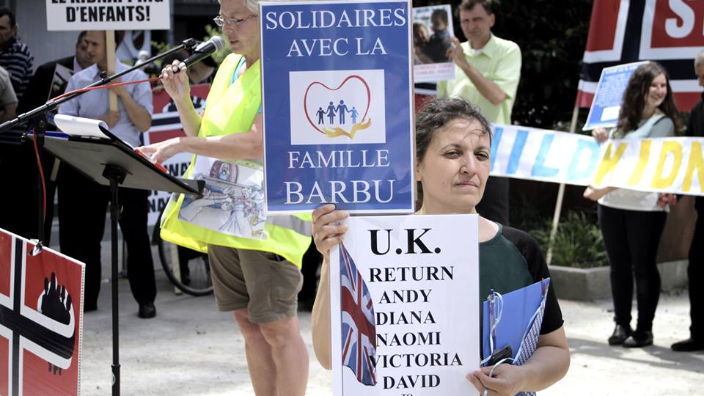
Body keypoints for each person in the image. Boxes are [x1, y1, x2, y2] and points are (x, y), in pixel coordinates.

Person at [311, 98, 569, 395]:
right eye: (453, 153)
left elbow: (555, 350)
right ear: (416, 166)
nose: (470, 167)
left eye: (481, 155)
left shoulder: (518, 248)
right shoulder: (375, 247)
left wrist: (523, 378)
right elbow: (331, 357)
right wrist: (333, 259)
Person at [138, 0, 311, 394]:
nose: (227, 28)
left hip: (269, 223)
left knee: (278, 328)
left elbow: (256, 143)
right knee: (249, 326)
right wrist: (182, 97)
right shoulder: (230, 65)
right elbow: (208, 136)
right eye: (223, 19)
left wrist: (181, 142)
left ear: (266, 19)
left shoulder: (284, 65)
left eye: (237, 18)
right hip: (224, 215)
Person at [57, 30, 157, 319]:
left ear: (111, 46)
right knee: (87, 235)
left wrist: (122, 91)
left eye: (95, 44)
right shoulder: (79, 81)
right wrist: (100, 121)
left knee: (135, 233)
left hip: (128, 163)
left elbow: (144, 121)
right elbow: (65, 122)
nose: (88, 49)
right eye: (85, 44)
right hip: (91, 162)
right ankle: (86, 299)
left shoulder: (135, 76)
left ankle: (145, 299)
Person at [584, 62, 680, 348]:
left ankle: (644, 330)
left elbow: (642, 167)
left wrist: (599, 189)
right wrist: (600, 136)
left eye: (664, 86)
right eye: (654, 85)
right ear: (640, 87)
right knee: (619, 266)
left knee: (643, 266)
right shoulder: (619, 119)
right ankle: (621, 324)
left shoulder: (664, 124)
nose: (660, 91)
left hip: (646, 206)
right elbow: (609, 157)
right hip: (612, 203)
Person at [438, 0, 521, 226]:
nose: (470, 26)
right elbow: (441, 103)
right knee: (454, 222)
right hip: (453, 154)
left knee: (493, 222)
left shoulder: (508, 50)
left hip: (493, 153)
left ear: (491, 20)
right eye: (465, 21)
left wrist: (465, 65)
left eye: (477, 19)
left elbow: (496, 96)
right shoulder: (452, 53)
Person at [671, 52, 704, 352]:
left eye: (703, 74)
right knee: (697, 270)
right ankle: (699, 333)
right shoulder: (698, 109)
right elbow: (690, 161)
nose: (699, 80)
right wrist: (674, 193)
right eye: (698, 74)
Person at [0, 7, 32, 100]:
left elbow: (11, 85)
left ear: (13, 29)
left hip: (15, 110)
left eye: (2, 28)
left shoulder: (19, 50)